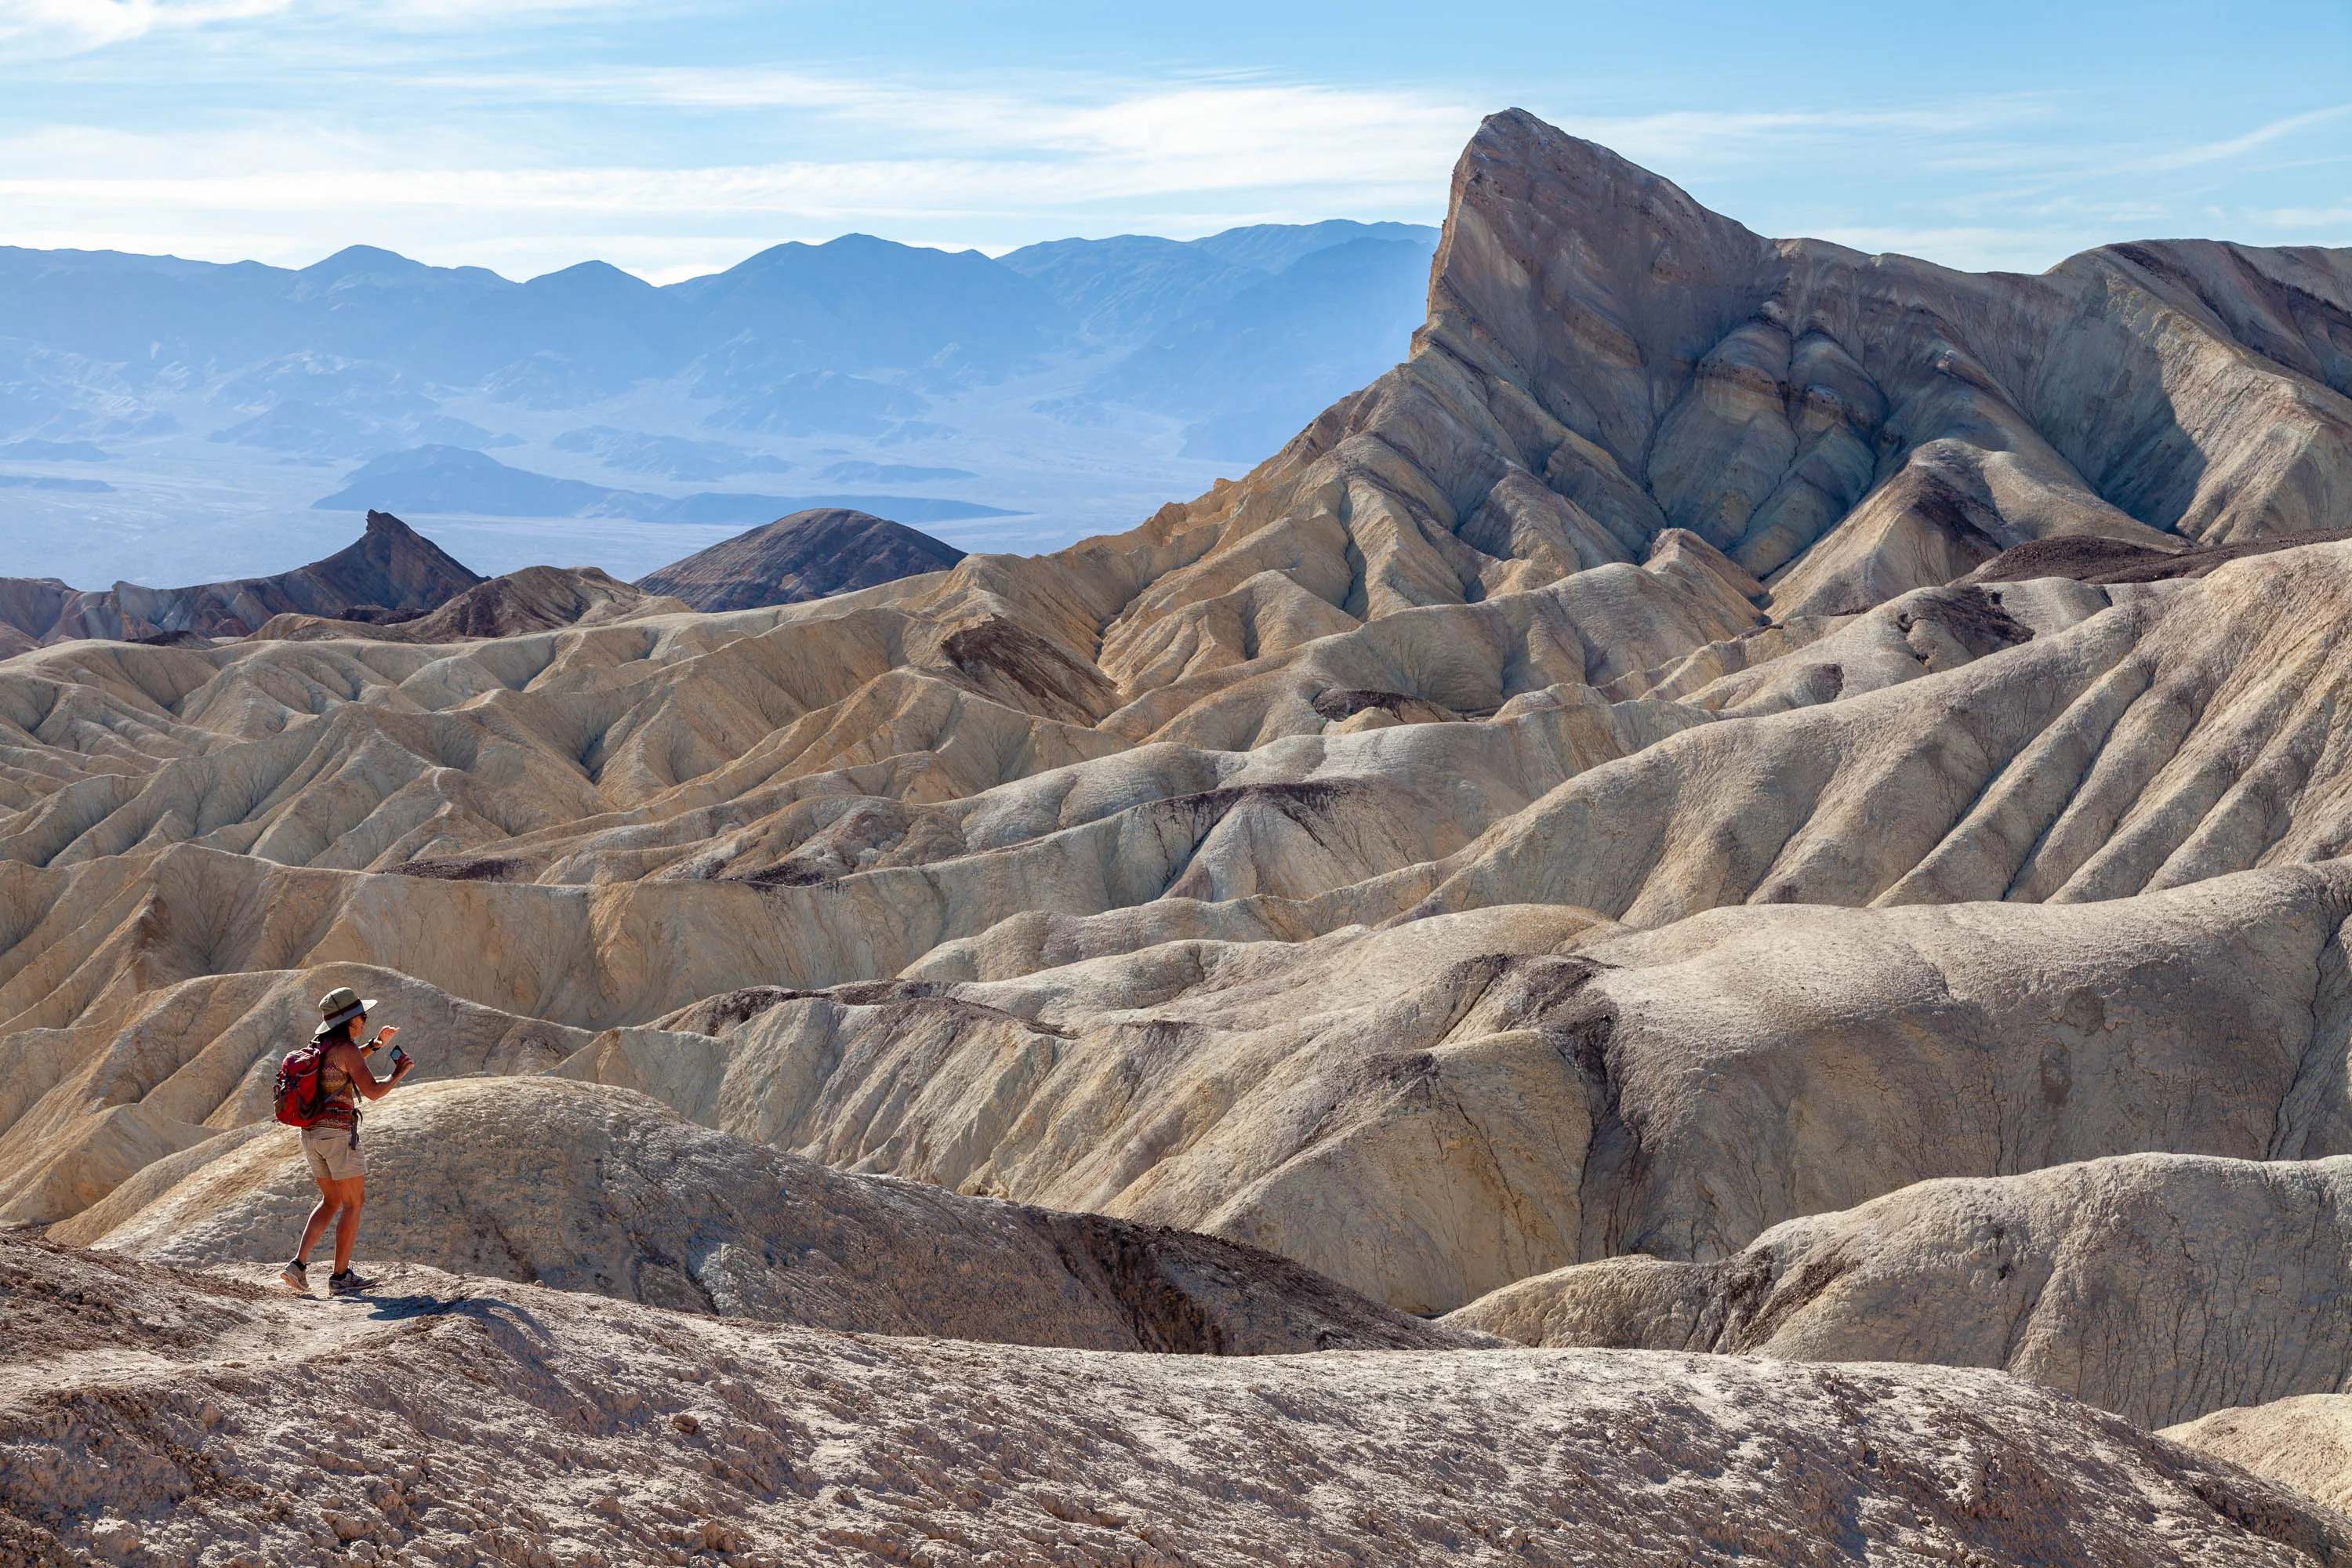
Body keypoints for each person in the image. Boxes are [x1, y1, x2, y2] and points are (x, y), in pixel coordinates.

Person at [281, 987, 414, 1297]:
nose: (366, 1020)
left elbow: (342, 1067)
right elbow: (373, 1091)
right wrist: (398, 1073)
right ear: (351, 1021)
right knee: (353, 1203)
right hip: (339, 1135)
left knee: (331, 1201)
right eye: (363, 1017)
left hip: (312, 1135)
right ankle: (340, 1277)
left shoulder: (320, 1047)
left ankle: (298, 1266)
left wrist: (376, 1045)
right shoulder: (347, 1050)